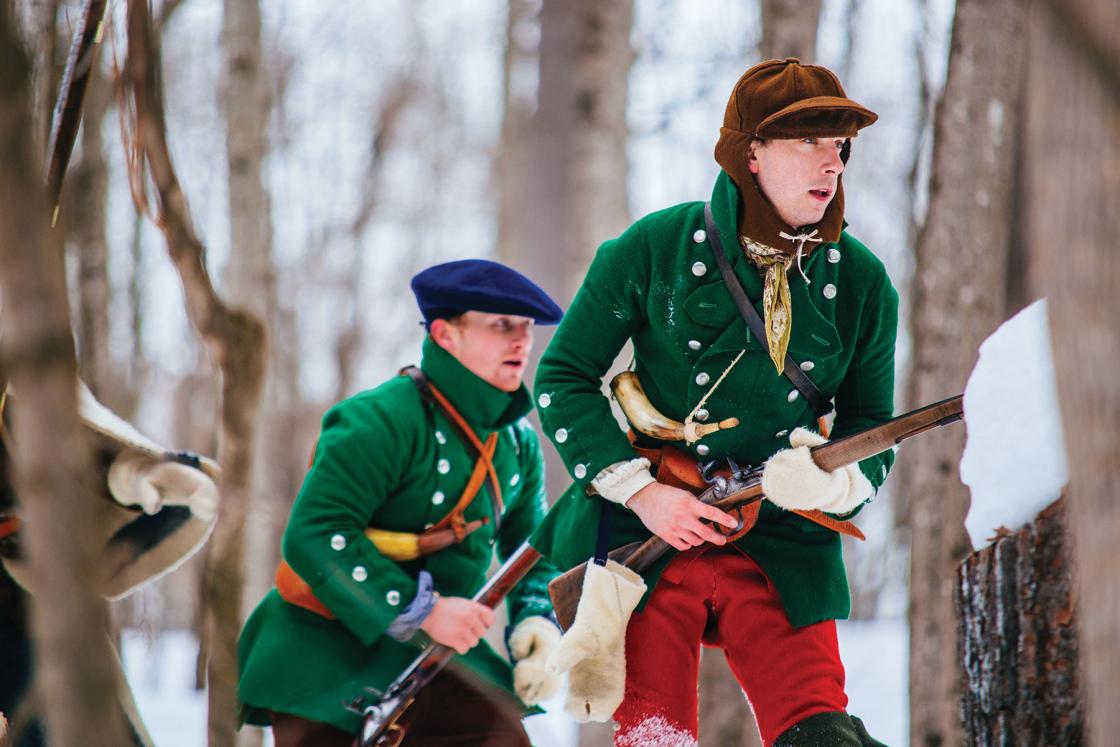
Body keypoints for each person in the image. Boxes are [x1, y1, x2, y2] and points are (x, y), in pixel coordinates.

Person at [531, 58, 897, 746]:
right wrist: (642, 494)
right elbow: (562, 377)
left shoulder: (865, 284)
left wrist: (834, 479)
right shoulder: (652, 248)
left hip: (783, 536)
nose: (832, 165)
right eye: (807, 143)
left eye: (839, 146)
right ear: (750, 152)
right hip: (651, 533)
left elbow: (872, 424)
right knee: (654, 737)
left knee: (824, 736)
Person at [237, 259, 566, 747]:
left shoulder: (517, 443)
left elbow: (532, 549)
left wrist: (536, 619)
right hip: (325, 649)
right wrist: (424, 610)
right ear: (445, 333)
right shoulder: (379, 420)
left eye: (525, 327)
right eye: (501, 325)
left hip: (435, 658)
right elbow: (315, 534)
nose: (521, 340)